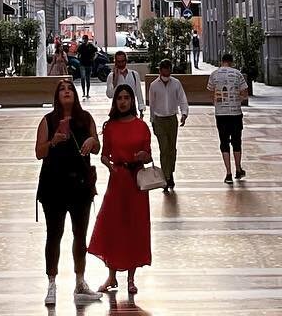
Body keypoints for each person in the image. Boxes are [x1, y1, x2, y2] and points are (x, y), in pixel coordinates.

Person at [35, 79, 99, 307]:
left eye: (70, 89)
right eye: (62, 89)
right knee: (54, 234)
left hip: (80, 185)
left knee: (80, 234)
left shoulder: (85, 119)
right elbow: (38, 152)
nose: (66, 92)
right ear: (56, 96)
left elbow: (97, 146)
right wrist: (53, 141)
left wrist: (92, 140)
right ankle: (52, 283)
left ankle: (80, 282)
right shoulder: (48, 120)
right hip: (54, 186)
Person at [88, 84, 153, 297]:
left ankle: (131, 277)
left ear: (132, 101)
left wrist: (143, 157)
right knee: (113, 225)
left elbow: (149, 154)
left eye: (127, 97)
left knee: (135, 226)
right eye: (120, 98)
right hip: (118, 181)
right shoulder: (110, 126)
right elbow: (105, 154)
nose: (123, 101)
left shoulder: (142, 126)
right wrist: (110, 166)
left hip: (137, 182)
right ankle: (112, 274)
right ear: (115, 101)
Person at [207, 50, 249, 184]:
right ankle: (238, 169)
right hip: (235, 113)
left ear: (222, 62)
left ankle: (228, 173)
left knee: (224, 142)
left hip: (221, 114)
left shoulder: (214, 74)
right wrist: (238, 98)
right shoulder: (237, 74)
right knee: (236, 141)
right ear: (231, 62)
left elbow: (210, 92)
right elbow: (245, 93)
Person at [147, 59, 188, 192]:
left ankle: (170, 172)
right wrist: (152, 120)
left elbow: (182, 98)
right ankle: (166, 176)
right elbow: (152, 104)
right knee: (164, 149)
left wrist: (184, 113)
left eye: (168, 69)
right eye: (163, 69)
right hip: (159, 120)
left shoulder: (176, 83)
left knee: (171, 149)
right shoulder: (154, 85)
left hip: (172, 119)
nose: (166, 72)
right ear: (160, 70)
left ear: (170, 69)